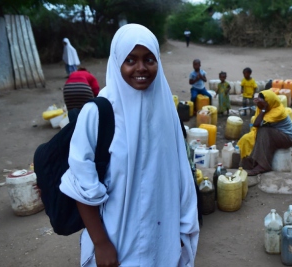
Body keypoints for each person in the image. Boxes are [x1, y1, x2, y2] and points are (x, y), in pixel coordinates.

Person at [59, 24, 199, 266]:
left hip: (162, 240)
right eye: (130, 60)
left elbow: (180, 176)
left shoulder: (166, 112)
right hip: (117, 241)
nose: (141, 68)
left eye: (149, 59)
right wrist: (102, 244)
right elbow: (80, 183)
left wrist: (180, 231)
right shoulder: (99, 113)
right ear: (117, 62)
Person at [238, 90, 292, 176]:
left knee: (263, 130)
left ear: (269, 102)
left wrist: (264, 109)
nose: (259, 105)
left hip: (287, 138)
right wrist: (262, 107)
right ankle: (252, 163)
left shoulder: (277, 111)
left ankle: (263, 165)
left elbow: (256, 124)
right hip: (276, 133)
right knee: (248, 138)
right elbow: (256, 125)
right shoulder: (264, 108)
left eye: (261, 103)